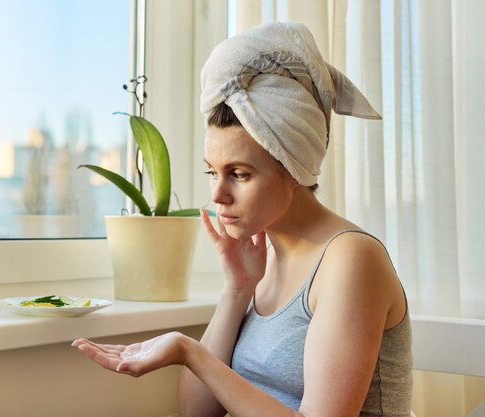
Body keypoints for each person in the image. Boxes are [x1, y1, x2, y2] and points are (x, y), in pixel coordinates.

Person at [72, 22, 412, 417]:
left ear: (295, 169)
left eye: (239, 174)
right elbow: (197, 412)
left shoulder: (350, 260)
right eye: (211, 172)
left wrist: (190, 353)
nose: (217, 195)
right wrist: (237, 290)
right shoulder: (264, 261)